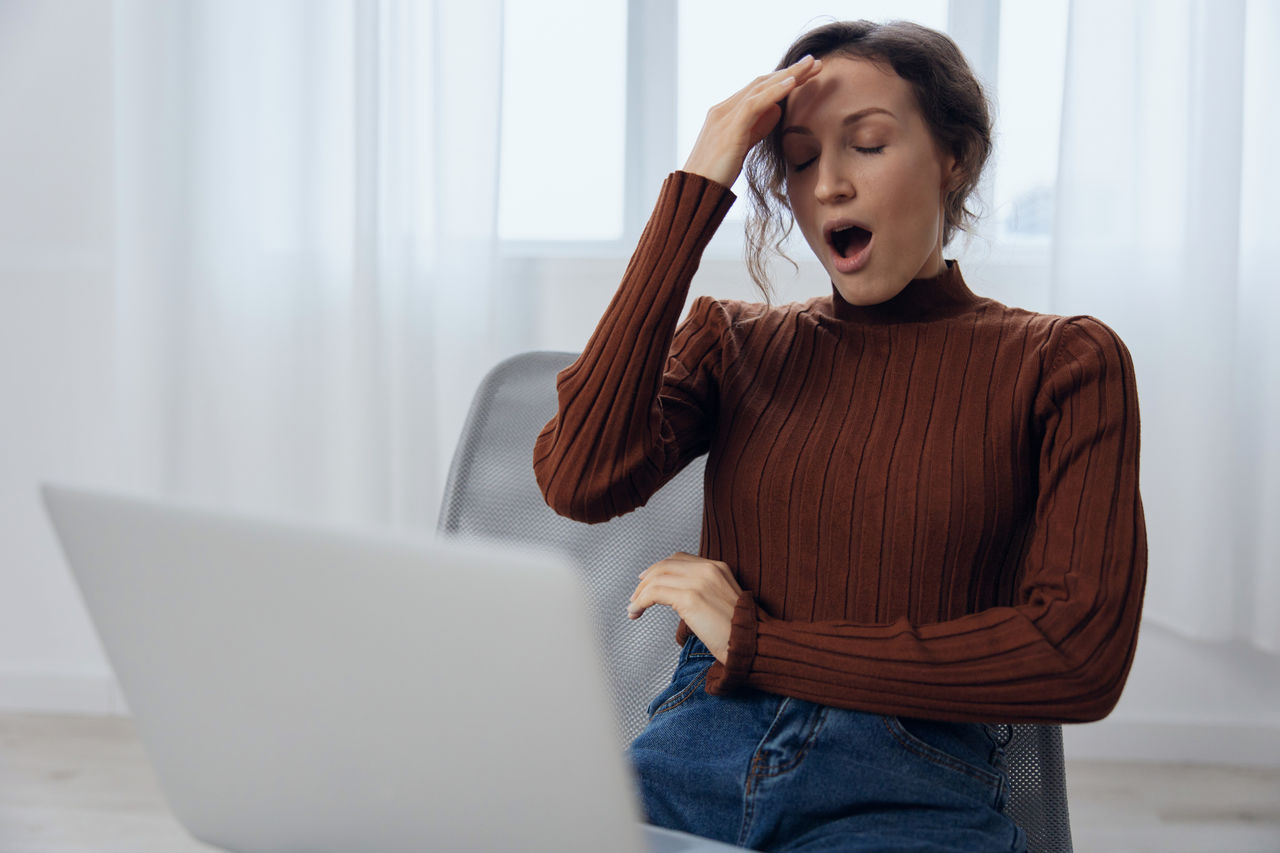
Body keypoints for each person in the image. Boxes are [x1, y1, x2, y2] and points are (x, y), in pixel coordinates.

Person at [533, 18, 1146, 853]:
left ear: (955, 158)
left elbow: (1076, 656)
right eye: (797, 158)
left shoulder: (1064, 362)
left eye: (866, 144)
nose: (827, 186)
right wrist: (698, 183)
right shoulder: (733, 341)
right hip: (688, 758)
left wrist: (760, 643)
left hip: (907, 784)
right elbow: (578, 474)